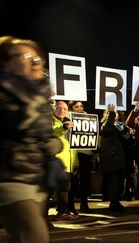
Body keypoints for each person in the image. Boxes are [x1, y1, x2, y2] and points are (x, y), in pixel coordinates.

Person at [0, 36, 63, 243]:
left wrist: (53, 148)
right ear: (4, 62)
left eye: (37, 59)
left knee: (19, 236)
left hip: (35, 179)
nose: (35, 62)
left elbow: (46, 135)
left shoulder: (40, 95)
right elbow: (19, 126)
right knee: (35, 235)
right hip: (10, 177)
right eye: (25, 57)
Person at [51, 100, 79, 218]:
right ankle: (42, 216)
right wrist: (64, 127)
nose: (62, 110)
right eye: (59, 108)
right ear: (53, 109)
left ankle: (61, 212)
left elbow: (73, 146)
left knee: (64, 191)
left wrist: (75, 164)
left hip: (67, 165)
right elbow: (54, 131)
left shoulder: (71, 124)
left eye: (64, 109)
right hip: (53, 163)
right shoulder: (49, 122)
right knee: (48, 191)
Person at [68, 101, 96, 213]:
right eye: (76, 106)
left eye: (81, 106)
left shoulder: (90, 119)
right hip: (73, 154)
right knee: (72, 181)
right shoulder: (67, 118)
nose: (79, 108)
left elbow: (94, 136)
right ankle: (70, 206)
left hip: (86, 154)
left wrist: (94, 152)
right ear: (71, 108)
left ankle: (84, 204)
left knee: (85, 180)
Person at [99, 104, 127, 211]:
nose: (115, 115)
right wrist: (111, 113)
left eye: (115, 113)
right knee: (113, 181)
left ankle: (115, 201)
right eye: (111, 113)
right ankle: (113, 203)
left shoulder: (118, 126)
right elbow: (106, 129)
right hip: (111, 158)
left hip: (119, 158)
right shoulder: (105, 125)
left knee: (119, 182)